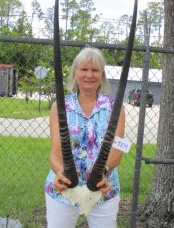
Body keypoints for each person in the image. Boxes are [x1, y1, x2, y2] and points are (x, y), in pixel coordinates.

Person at [44, 47, 125, 228]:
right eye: (84, 69)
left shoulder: (116, 107)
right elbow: (55, 153)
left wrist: (103, 172)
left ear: (102, 74)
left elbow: (118, 149)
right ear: (75, 73)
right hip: (64, 189)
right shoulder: (60, 107)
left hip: (104, 188)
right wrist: (59, 172)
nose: (89, 75)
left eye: (95, 70)